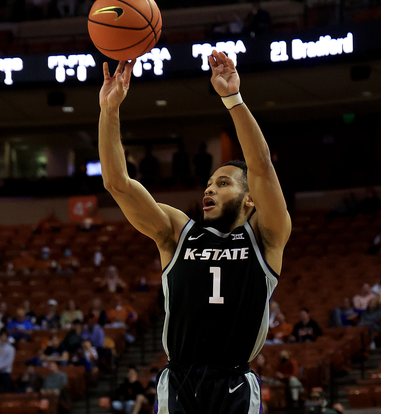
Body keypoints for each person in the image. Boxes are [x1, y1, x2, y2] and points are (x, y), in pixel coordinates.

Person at [97, 51, 290, 414]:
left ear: (250, 199)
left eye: (222, 183)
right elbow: (117, 184)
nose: (209, 190)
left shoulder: (266, 236)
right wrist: (109, 112)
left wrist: (232, 99)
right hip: (180, 381)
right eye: (207, 184)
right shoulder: (177, 232)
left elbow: (262, 168)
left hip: (233, 381)